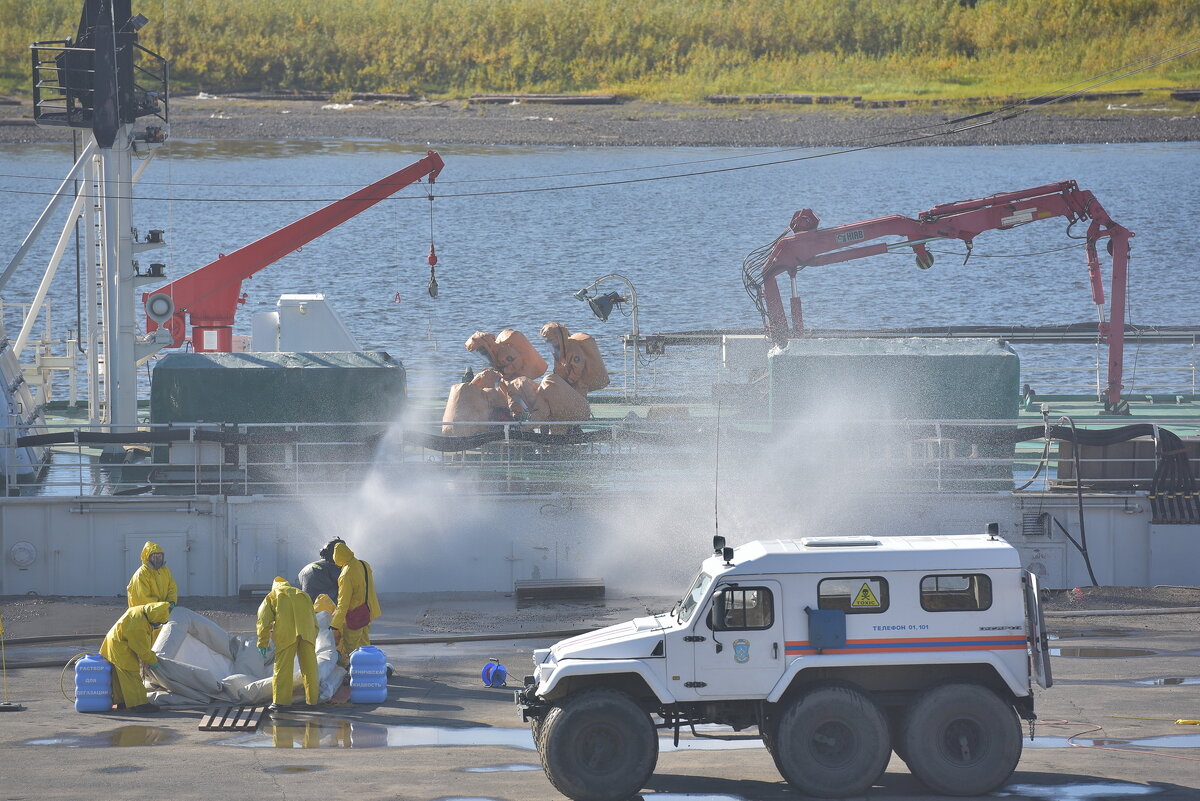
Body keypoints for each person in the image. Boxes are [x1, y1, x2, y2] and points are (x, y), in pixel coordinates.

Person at [256, 577, 320, 712]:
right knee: (310, 668)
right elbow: (314, 621)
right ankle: (313, 701)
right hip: (307, 635)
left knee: (282, 668)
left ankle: (281, 702)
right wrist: (312, 637)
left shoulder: (273, 596)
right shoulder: (302, 594)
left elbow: (263, 621)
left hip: (287, 635)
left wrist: (263, 642)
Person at [99, 602, 171, 713]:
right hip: (121, 649)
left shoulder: (140, 611)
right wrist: (152, 661)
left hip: (114, 644)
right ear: (154, 618)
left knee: (119, 678)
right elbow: (141, 649)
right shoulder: (138, 625)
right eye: (158, 623)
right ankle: (140, 704)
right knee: (131, 675)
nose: (157, 625)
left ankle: (122, 703)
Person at [330, 542, 381, 667]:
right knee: (365, 645)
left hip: (355, 616)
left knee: (352, 649)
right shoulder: (363, 564)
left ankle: (356, 675)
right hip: (368, 611)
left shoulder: (345, 574)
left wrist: (335, 624)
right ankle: (369, 670)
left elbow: (343, 602)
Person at [126, 541, 178, 608]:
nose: (157, 559)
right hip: (144, 613)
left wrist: (171, 602)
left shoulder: (165, 571)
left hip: (161, 611)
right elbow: (143, 597)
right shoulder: (142, 574)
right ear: (147, 557)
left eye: (159, 556)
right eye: (154, 556)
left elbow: (172, 588)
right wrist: (161, 607)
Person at [298, 538, 344, 605]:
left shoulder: (305, 569)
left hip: (308, 607)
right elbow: (346, 585)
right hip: (325, 608)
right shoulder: (333, 568)